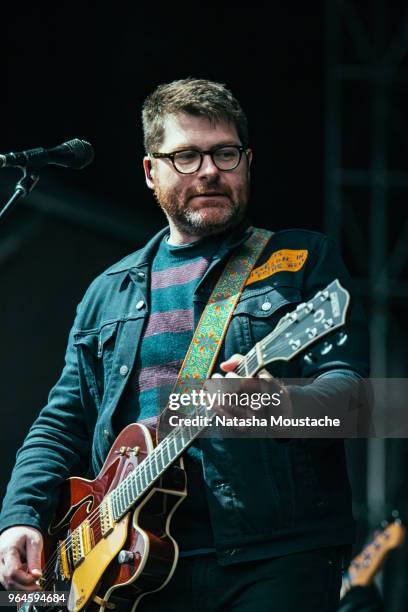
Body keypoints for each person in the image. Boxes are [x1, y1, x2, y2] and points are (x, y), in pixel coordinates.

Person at [0, 78, 369, 611]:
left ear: (248, 161)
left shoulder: (302, 261)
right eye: (187, 156)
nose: (210, 171)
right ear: (151, 171)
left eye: (225, 153)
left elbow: (360, 404)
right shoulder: (109, 292)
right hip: (126, 568)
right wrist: (21, 515)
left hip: (273, 558)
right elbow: (62, 424)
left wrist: (267, 405)